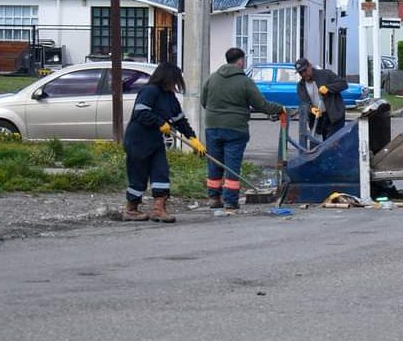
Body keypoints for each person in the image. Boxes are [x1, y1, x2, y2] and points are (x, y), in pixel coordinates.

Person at [201, 47, 285, 209]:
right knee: (232, 163)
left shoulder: (212, 79)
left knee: (215, 162)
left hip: (212, 126)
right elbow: (261, 104)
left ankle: (214, 198)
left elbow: (204, 101)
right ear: (240, 61)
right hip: (235, 128)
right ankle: (230, 201)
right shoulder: (245, 81)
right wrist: (279, 108)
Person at [122, 62, 205, 223]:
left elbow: (179, 120)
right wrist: (159, 123)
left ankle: (158, 209)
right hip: (138, 140)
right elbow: (141, 113)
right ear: (165, 78)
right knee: (138, 176)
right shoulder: (149, 91)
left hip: (155, 142)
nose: (175, 85)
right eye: (174, 81)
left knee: (161, 173)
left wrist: (193, 139)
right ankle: (131, 210)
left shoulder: (169, 97)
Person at [294, 57, 349, 140]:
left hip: (335, 115)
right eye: (300, 73)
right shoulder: (301, 86)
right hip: (318, 118)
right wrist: (311, 109)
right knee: (320, 145)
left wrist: (328, 88)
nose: (304, 74)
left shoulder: (326, 74)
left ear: (310, 66)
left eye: (305, 70)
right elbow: (304, 102)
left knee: (333, 144)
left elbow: (344, 84)